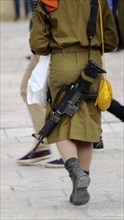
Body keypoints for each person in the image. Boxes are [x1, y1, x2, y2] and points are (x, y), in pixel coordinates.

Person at [29, 0, 118, 205]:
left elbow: (39, 46)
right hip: (92, 62)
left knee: (59, 121)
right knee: (86, 125)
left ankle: (75, 171)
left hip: (62, 62)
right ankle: (83, 179)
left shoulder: (48, 1)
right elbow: (111, 40)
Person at [16, 0, 64, 167]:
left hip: (51, 42)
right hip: (39, 44)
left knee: (62, 95)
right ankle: (42, 143)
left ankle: (71, 152)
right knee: (26, 90)